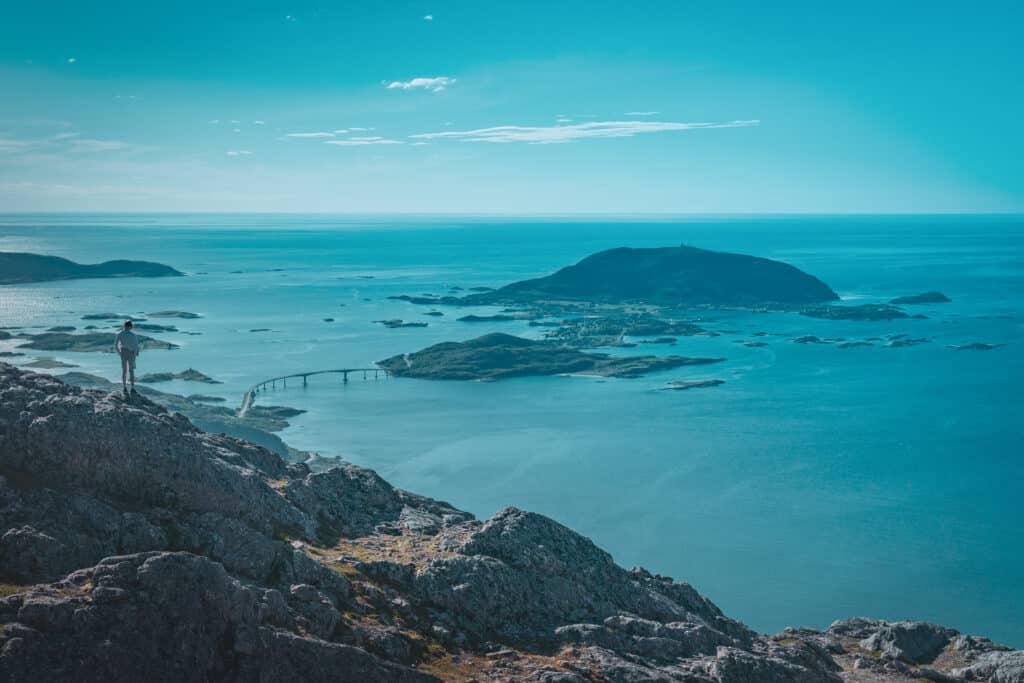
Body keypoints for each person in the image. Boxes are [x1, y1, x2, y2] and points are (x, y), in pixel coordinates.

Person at [114, 320, 140, 394]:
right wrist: (135, 355)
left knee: (124, 370)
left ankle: (124, 387)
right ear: (130, 326)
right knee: (131, 371)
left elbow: (116, 346)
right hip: (131, 353)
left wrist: (120, 353)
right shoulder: (133, 335)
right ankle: (132, 388)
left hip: (123, 352)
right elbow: (136, 346)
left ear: (124, 326)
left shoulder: (119, 334)